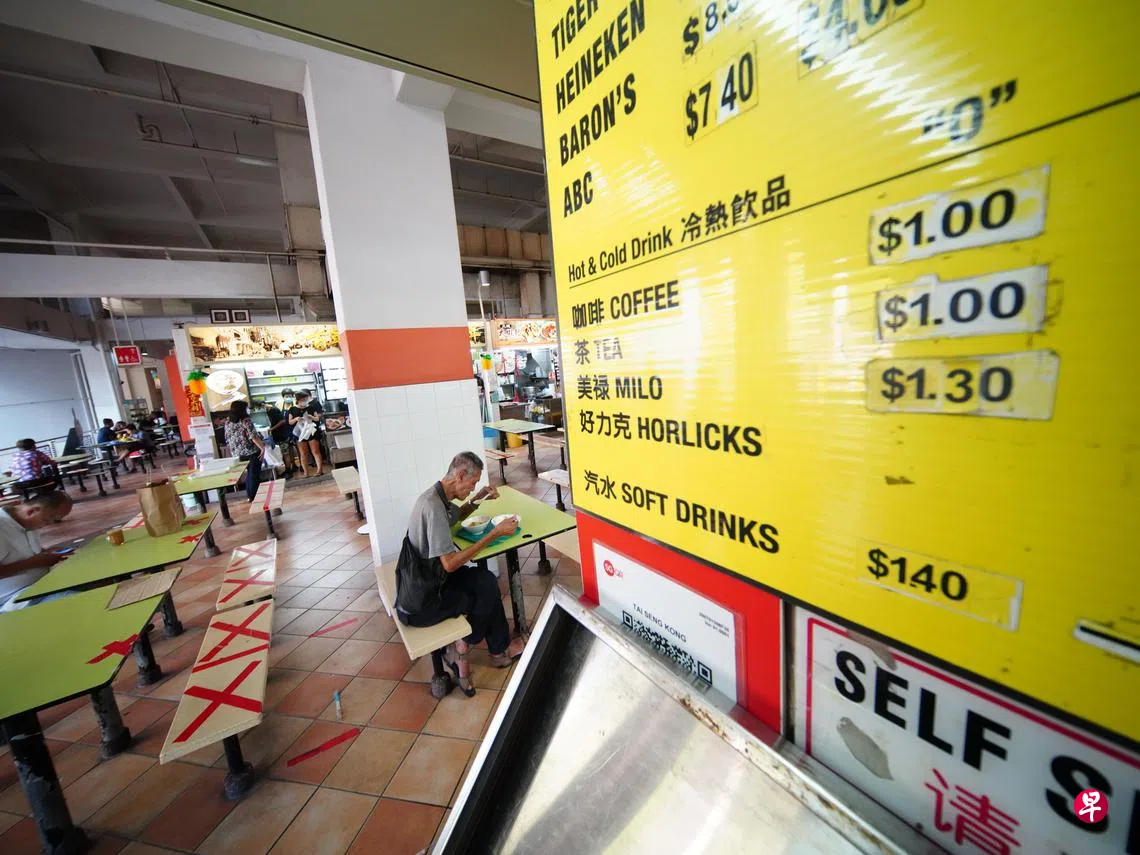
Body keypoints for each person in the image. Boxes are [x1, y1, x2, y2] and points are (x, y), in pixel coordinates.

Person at [401, 451, 525, 694]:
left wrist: (477, 499)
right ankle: (464, 647)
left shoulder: (436, 496)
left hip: (427, 580)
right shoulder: (433, 508)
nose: (473, 487)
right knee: (485, 593)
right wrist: (494, 533)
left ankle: (497, 651)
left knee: (486, 582)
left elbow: (455, 518)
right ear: (459, 475)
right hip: (423, 600)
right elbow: (449, 564)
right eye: (473, 482)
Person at [0, 492, 73, 611]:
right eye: (48, 520)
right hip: (15, 598)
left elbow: (21, 551)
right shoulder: (2, 526)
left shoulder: (26, 522)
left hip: (42, 586)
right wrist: (36, 562)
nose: (48, 525)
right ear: (32, 511)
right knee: (76, 601)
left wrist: (47, 552)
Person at [224, 399, 265, 502]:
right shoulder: (245, 420)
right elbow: (253, 436)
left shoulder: (228, 421)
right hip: (251, 451)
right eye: (246, 408)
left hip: (237, 453)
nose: (248, 410)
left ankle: (250, 495)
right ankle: (254, 496)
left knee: (249, 474)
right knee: (254, 474)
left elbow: (227, 438)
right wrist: (262, 448)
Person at [288, 390, 325, 477]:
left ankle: (319, 470)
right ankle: (306, 472)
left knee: (315, 451)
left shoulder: (311, 407)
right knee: (303, 453)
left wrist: (311, 417)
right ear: (298, 400)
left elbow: (317, 418)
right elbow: (290, 422)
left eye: (306, 399)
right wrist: (296, 419)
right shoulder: (292, 409)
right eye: (303, 400)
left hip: (311, 431)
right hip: (300, 433)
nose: (305, 401)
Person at [265, 398, 295, 476]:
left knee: (285, 453)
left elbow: (282, 421)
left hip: (281, 435)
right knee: (282, 453)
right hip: (275, 436)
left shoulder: (274, 410)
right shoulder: (266, 412)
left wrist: (272, 429)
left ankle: (289, 471)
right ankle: (286, 470)